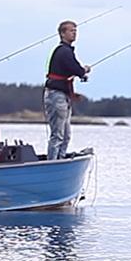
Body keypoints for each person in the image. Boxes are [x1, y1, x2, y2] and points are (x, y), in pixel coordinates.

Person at [44, 20, 91, 159]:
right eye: (71, 30)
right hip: (56, 96)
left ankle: (60, 159)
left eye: (75, 30)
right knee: (58, 135)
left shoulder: (67, 51)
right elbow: (75, 68)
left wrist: (81, 72)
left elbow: (73, 70)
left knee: (66, 135)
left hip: (63, 96)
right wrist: (84, 71)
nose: (74, 33)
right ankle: (52, 164)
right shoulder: (63, 51)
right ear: (62, 34)